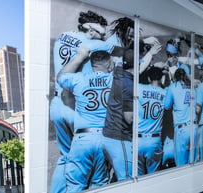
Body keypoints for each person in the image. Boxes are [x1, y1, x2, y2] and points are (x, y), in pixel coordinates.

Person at [49, 10, 108, 193]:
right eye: (101, 31)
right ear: (91, 29)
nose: (103, 36)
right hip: (76, 108)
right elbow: (118, 48)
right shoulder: (94, 43)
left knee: (65, 157)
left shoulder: (61, 37)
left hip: (57, 104)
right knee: (87, 162)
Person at [57, 50, 115, 192]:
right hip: (105, 138)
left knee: (75, 186)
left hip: (83, 138)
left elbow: (60, 77)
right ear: (107, 63)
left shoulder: (79, 79)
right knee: (100, 184)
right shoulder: (114, 79)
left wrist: (79, 57)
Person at [101, 48, 134, 182]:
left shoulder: (118, 74)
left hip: (107, 134)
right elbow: (129, 118)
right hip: (119, 138)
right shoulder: (129, 85)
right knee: (126, 181)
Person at [137, 63, 171, 175]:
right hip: (154, 140)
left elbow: (136, 75)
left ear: (148, 78)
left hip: (138, 139)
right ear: (161, 78)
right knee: (153, 177)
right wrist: (167, 74)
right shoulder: (165, 92)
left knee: (138, 179)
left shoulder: (139, 88)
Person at [163, 68, 194, 166]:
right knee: (193, 164)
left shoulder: (173, 86)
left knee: (181, 165)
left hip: (182, 129)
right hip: (194, 127)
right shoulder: (191, 87)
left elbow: (167, 106)